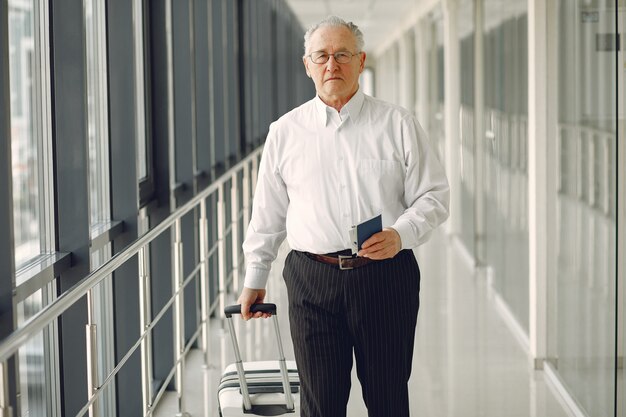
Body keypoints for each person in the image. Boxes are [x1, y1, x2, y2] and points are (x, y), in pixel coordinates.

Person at [237, 15, 449, 417]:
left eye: (342, 54)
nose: (331, 64)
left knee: (388, 399)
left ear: (361, 61)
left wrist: (401, 234)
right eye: (321, 56)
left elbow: (434, 195)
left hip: (385, 277)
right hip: (311, 282)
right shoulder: (284, 132)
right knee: (320, 404)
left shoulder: (397, 123)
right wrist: (255, 278)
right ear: (307, 65)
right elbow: (267, 214)